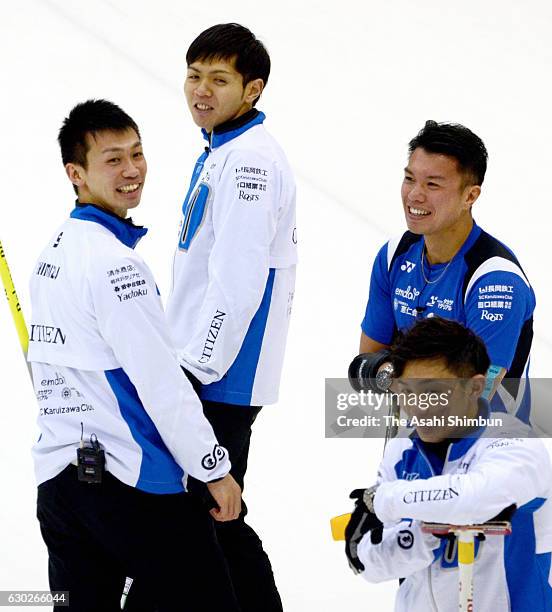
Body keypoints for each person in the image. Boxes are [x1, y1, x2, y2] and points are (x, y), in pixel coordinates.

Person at [29, 99, 242, 612]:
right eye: (113, 159)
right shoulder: (115, 266)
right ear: (75, 173)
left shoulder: (52, 255)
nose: (131, 170)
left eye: (137, 154)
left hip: (60, 490)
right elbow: (161, 384)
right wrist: (212, 467)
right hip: (131, 486)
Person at [165, 23, 297, 612]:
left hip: (223, 372)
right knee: (206, 511)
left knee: (213, 511)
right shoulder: (222, 150)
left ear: (253, 90)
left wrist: (194, 369)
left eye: (219, 80)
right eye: (194, 76)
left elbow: (239, 284)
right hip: (204, 363)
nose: (201, 91)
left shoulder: (250, 164)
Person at [345, 317, 552, 611]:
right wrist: (423, 535)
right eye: (407, 392)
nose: (419, 408)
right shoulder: (401, 450)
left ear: (475, 387)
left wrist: (385, 500)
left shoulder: (515, 443)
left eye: (433, 393)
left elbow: (472, 497)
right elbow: (369, 562)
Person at [360, 121, 536, 422]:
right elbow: (363, 367)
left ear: (470, 196)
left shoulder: (496, 281)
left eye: (432, 184)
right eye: (409, 178)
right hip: (413, 439)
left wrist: (396, 374)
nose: (414, 195)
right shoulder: (394, 255)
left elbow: (473, 401)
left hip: (486, 451)